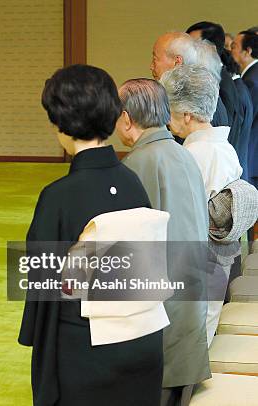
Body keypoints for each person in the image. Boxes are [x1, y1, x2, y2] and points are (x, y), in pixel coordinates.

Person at [19, 65, 167, 406]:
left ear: (61, 123)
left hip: (86, 348)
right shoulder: (132, 181)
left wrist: (36, 344)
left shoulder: (59, 196)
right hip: (144, 341)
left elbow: (43, 285)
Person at [115, 78, 211, 406]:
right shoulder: (182, 155)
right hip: (192, 300)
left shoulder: (139, 164)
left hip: (162, 316)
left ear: (127, 119)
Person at [161, 64, 243, 345]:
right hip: (220, 256)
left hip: (197, 261)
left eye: (168, 110)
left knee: (189, 339)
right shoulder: (224, 147)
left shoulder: (195, 154)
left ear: (186, 115)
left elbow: (182, 219)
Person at [187, 22, 246, 175]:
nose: (187, 49)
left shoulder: (220, 84)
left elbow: (223, 131)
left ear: (210, 48)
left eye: (192, 44)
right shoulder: (219, 79)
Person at [150, 32, 229, 129]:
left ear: (177, 61)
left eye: (155, 59)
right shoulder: (203, 94)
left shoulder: (194, 100)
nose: (151, 66)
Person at [231, 30, 258, 189]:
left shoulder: (252, 81)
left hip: (252, 154)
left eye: (234, 46)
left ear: (247, 51)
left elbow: (247, 119)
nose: (230, 50)